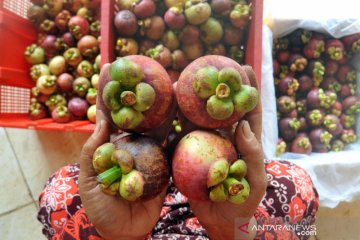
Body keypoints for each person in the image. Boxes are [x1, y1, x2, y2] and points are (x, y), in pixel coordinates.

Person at [37, 65, 318, 240]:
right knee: (298, 188)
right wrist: (231, 233)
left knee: (58, 193)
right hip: (218, 202)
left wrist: (121, 237)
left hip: (134, 195)